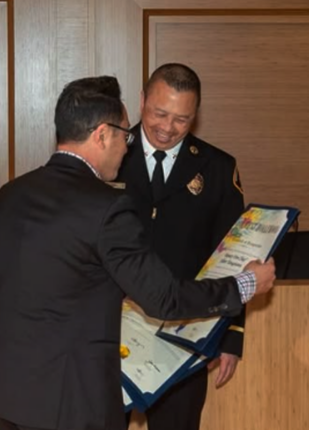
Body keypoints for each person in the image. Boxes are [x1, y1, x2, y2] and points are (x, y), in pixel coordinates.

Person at [0, 76, 276, 430]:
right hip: (70, 401)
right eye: (123, 136)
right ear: (102, 134)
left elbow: (1, 290)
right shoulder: (106, 208)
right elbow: (164, 298)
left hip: (7, 391)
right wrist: (245, 284)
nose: (126, 145)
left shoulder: (9, 195)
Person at [116, 63, 246, 430]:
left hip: (184, 334)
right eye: (159, 113)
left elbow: (230, 256)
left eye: (181, 119)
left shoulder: (218, 168)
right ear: (141, 101)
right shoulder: (110, 157)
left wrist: (231, 335)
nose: (167, 128)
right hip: (109, 331)